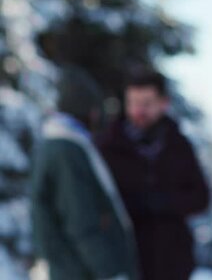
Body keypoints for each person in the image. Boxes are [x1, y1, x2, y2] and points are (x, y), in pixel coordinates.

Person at [97, 70, 210, 280]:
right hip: (125, 260)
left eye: (147, 103)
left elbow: (201, 198)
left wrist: (163, 202)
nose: (139, 110)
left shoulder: (179, 145)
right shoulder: (107, 145)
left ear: (163, 103)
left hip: (172, 262)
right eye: (133, 102)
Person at [31, 65, 138, 280]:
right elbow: (81, 221)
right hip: (79, 272)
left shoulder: (63, 145)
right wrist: (110, 272)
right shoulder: (66, 150)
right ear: (90, 111)